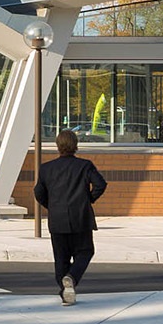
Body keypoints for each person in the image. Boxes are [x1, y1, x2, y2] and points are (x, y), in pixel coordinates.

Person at [34, 130, 108, 304]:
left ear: (57, 146)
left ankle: (65, 291)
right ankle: (72, 278)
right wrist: (89, 199)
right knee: (85, 251)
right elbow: (100, 184)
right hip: (80, 217)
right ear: (76, 145)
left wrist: (50, 205)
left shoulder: (46, 169)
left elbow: (38, 192)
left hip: (57, 218)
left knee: (61, 257)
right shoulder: (85, 166)